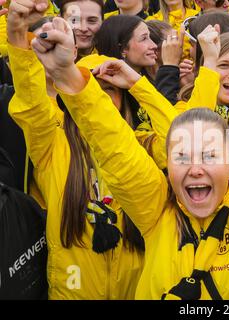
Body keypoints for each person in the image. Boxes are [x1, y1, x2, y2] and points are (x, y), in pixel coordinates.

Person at [32, 11, 229, 299]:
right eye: (182, 157)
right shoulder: (157, 212)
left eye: (209, 156)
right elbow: (116, 148)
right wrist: (68, 76)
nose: (195, 168)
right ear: (167, 166)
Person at [6, 0, 155, 299]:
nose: (98, 100)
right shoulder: (53, 147)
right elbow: (32, 107)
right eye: (89, 91)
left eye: (109, 90)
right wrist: (17, 32)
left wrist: (139, 85)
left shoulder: (144, 146)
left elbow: (177, 135)